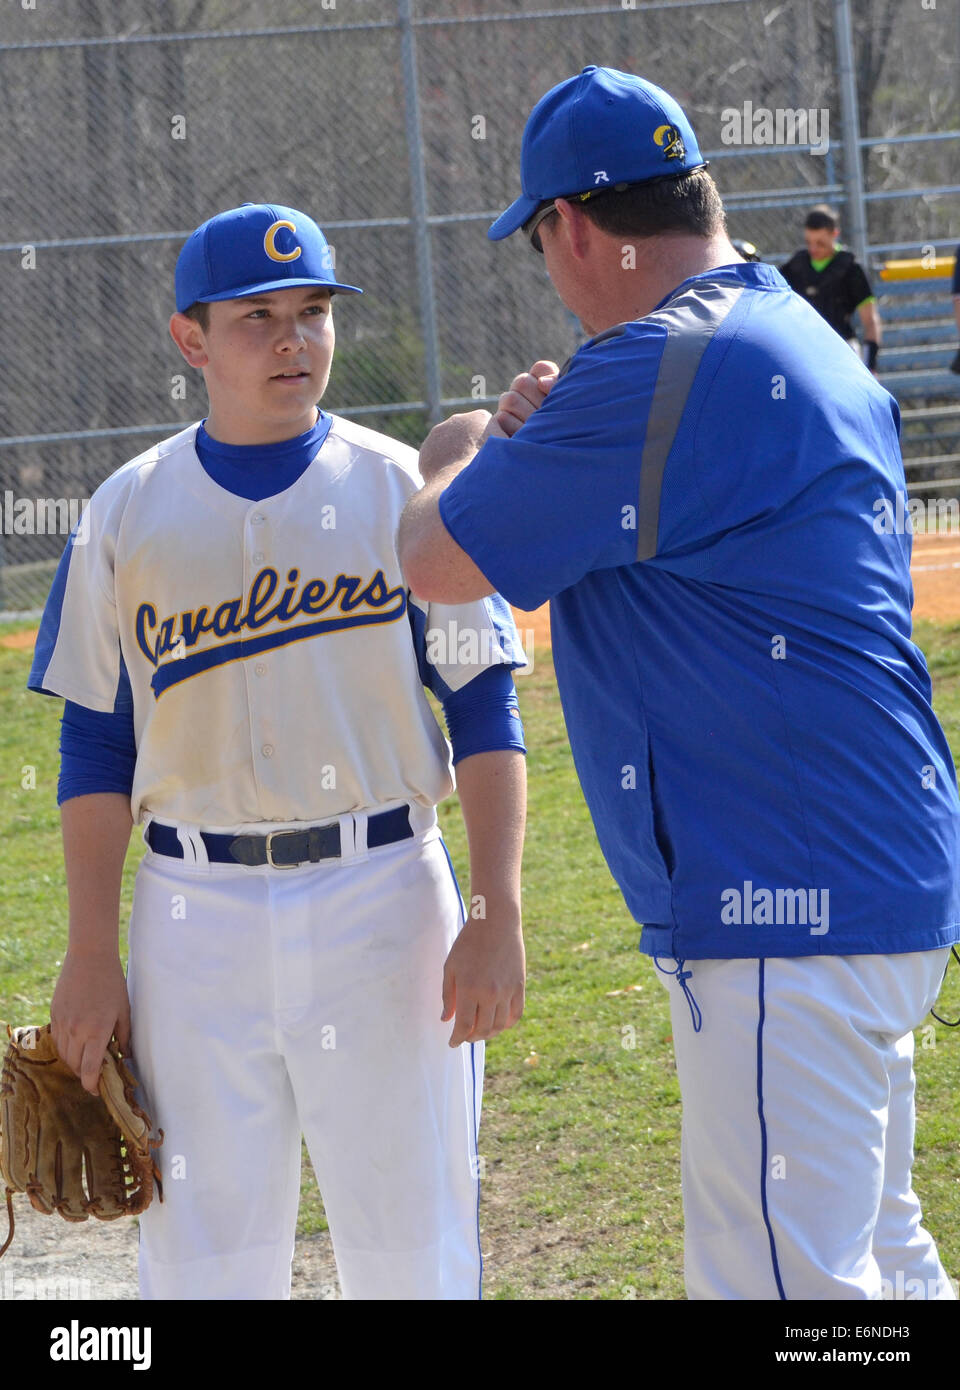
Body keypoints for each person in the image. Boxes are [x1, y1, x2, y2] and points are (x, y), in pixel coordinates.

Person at [398, 66, 960, 1300]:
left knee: (784, 1288)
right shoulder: (787, 324)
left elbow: (435, 555)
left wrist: (469, 449)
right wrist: (555, 438)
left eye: (545, 239)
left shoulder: (659, 358)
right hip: (875, 873)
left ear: (580, 229)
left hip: (778, 892)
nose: (551, 266)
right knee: (878, 1254)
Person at [27, 202, 528, 1301]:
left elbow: (487, 709)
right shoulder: (124, 510)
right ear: (191, 341)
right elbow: (94, 746)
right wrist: (91, 949)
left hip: (386, 894)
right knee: (202, 1257)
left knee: (414, 1249)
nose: (295, 339)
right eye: (258, 318)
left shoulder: (407, 492)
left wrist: (494, 912)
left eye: (313, 312)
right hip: (189, 916)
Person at [780, 203, 882, 373]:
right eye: (809, 242)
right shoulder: (795, 265)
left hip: (843, 348)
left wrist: (870, 364)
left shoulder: (851, 268)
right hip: (805, 350)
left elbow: (870, 320)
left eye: (820, 243)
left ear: (835, 234)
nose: (813, 248)